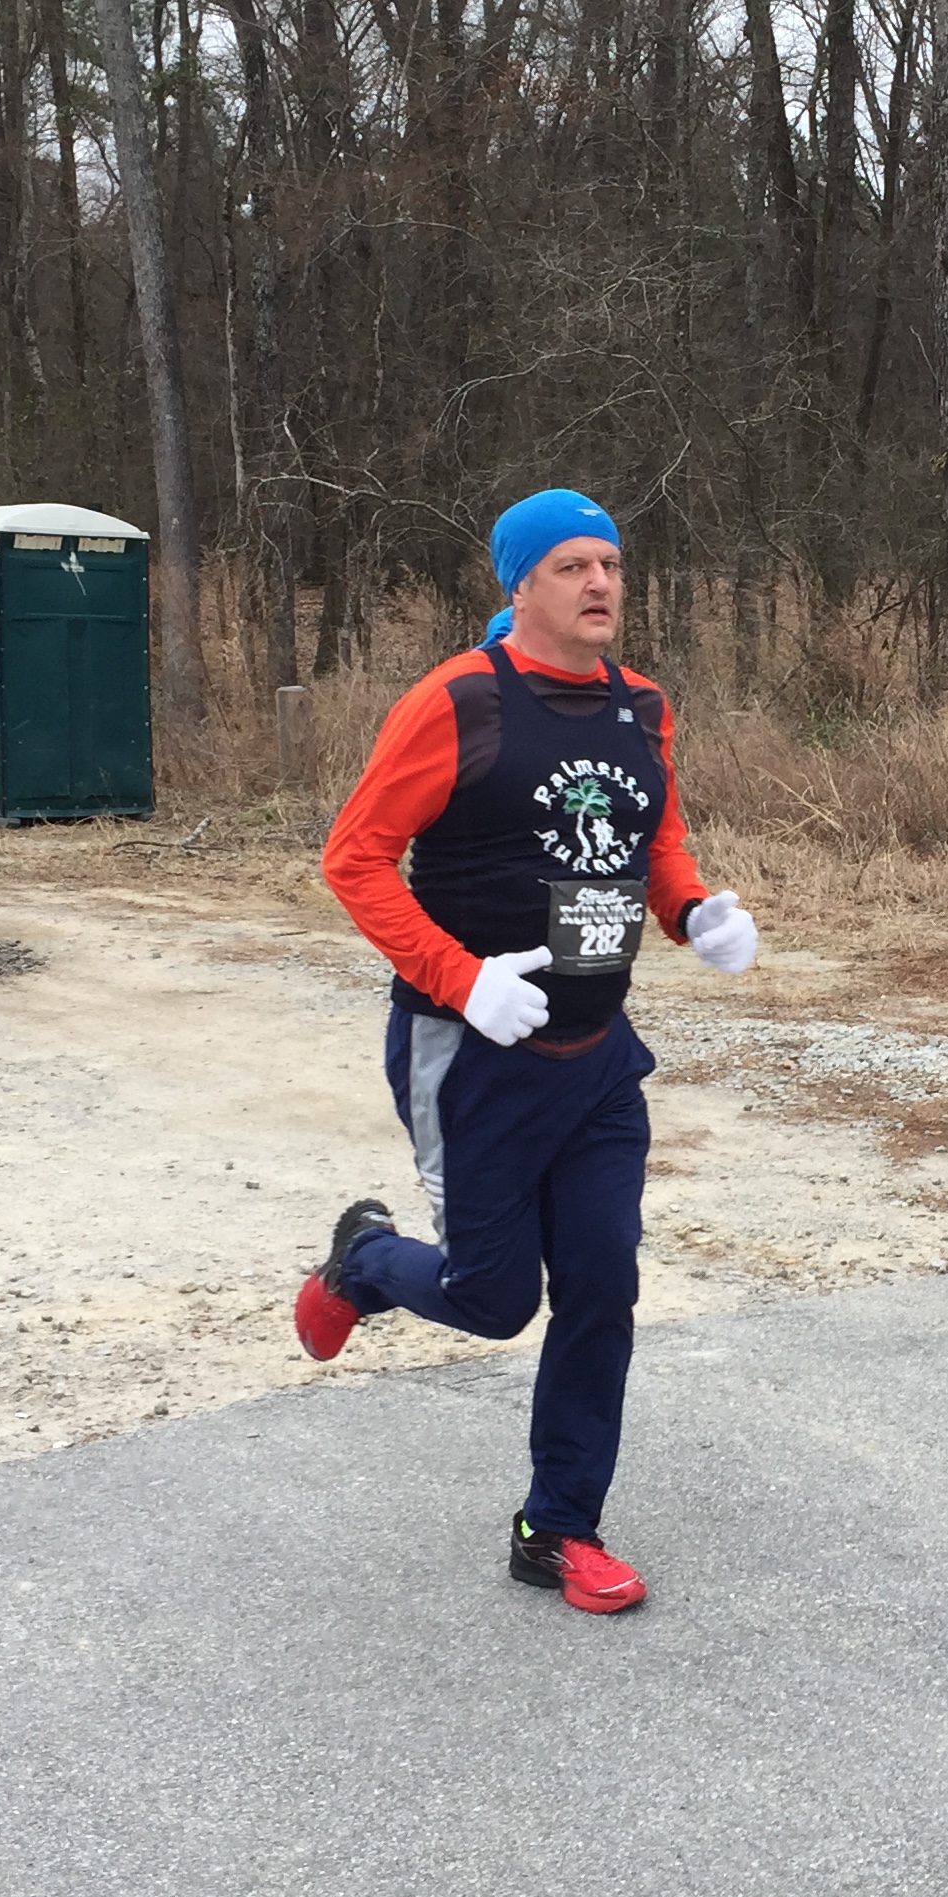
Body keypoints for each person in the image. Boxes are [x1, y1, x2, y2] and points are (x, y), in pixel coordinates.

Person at [293, 487, 760, 1615]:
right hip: (473, 1054)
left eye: (611, 563)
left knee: (602, 1285)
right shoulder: (459, 701)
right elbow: (355, 858)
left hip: (597, 1058)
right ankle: (366, 1260)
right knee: (495, 1301)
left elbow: (652, 836)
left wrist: (691, 910)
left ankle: (557, 1528)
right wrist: (462, 979)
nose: (600, 583)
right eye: (571, 566)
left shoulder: (641, 706)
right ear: (520, 583)